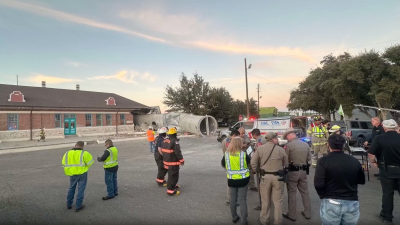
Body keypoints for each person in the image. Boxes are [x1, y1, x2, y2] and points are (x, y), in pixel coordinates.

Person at [315, 134, 365, 225]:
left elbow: (318, 184)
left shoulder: (323, 161)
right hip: (352, 201)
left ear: (328, 145)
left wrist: (323, 196)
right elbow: (361, 180)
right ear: (343, 145)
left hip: (331, 200)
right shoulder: (354, 161)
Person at [251, 132, 288, 225]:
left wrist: (257, 170)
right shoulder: (281, 149)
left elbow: (253, 162)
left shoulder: (260, 149)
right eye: (276, 138)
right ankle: (278, 221)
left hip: (265, 177)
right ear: (274, 139)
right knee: (278, 201)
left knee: (265, 200)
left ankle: (264, 220)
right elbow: (286, 164)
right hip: (278, 177)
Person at [368, 119, 400, 224]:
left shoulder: (379, 138)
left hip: (387, 169)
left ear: (384, 128)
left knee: (387, 193)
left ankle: (386, 216)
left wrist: (375, 162)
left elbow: (371, 153)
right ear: (396, 127)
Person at [282, 128, 312, 221]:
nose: (287, 138)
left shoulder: (289, 146)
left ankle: (292, 215)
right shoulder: (305, 144)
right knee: (305, 192)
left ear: (290, 135)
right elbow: (309, 158)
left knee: (292, 193)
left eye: (287, 136)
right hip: (303, 171)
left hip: (293, 172)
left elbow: (285, 160)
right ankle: (307, 213)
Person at [222, 137, 251, 225]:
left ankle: (234, 217)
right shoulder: (244, 154)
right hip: (243, 180)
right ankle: (244, 221)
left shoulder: (226, 154)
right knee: (242, 200)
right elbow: (249, 164)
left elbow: (223, 164)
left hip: (232, 180)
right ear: (240, 144)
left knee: (233, 199)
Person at [62, 141, 94, 212]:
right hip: (82, 173)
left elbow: (64, 163)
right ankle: (78, 206)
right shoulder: (85, 153)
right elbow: (90, 162)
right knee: (81, 190)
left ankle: (69, 204)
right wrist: (84, 167)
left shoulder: (67, 153)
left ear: (75, 145)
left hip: (72, 174)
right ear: (82, 146)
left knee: (71, 188)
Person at [162, 127, 184, 196]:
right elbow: (178, 152)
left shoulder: (165, 141)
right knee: (173, 176)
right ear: (175, 134)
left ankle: (173, 185)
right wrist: (182, 160)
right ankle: (171, 191)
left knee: (171, 175)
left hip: (167, 161)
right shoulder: (174, 141)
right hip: (173, 162)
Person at [222, 129, 240, 204]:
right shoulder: (229, 141)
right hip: (231, 163)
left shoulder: (225, 140)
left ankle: (230, 198)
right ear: (234, 136)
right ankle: (230, 198)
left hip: (228, 162)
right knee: (232, 182)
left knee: (231, 181)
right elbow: (232, 151)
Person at [250, 128, 267, 210]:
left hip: (261, 167)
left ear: (254, 135)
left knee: (261, 187)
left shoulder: (259, 141)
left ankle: (261, 204)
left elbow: (258, 155)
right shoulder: (264, 138)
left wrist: (254, 167)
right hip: (267, 166)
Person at [239, 127, 257, 191]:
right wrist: (242, 145)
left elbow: (250, 143)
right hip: (239, 159)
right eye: (241, 133)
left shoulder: (246, 138)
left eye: (244, 133)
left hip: (247, 157)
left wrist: (249, 145)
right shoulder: (235, 139)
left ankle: (252, 185)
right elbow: (233, 147)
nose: (243, 135)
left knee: (250, 171)